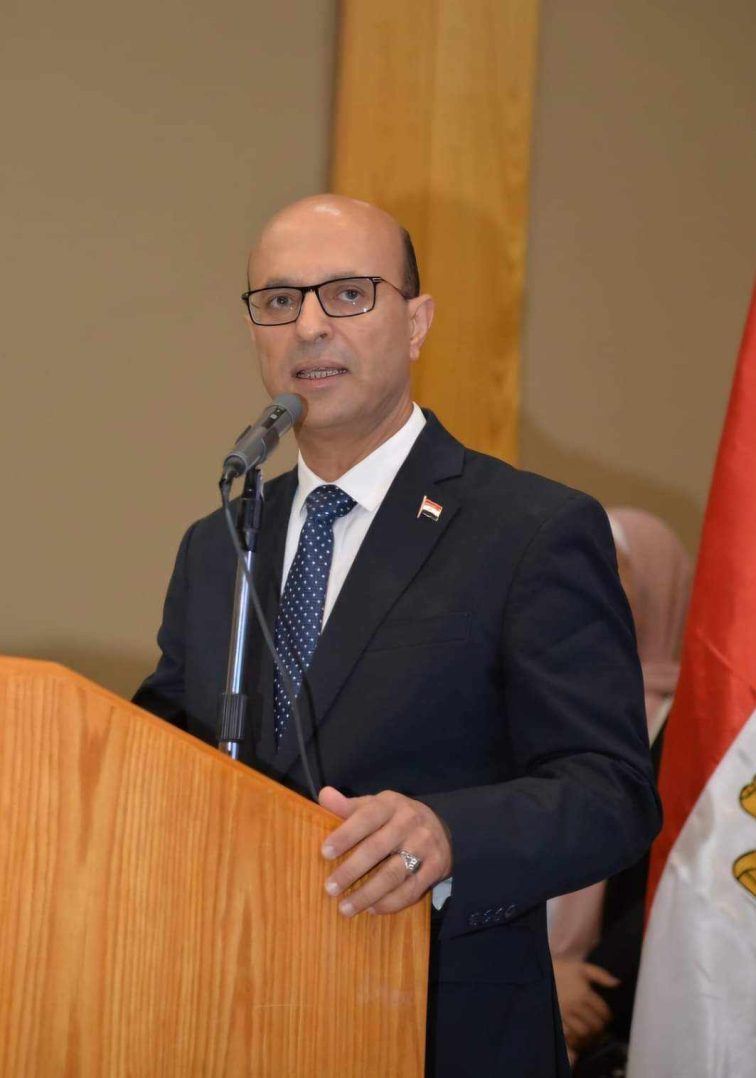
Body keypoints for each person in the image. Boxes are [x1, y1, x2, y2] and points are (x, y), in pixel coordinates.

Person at [134, 194, 661, 1076]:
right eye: (279, 300)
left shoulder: (529, 530)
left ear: (416, 324)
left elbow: (612, 793)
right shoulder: (220, 544)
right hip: (230, 1018)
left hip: (441, 1025)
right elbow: (154, 758)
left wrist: (451, 834)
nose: (309, 326)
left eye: (348, 294)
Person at [547, 509, 691, 1074]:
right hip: (513, 987)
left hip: (624, 1019)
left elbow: (689, 876)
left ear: (659, 585)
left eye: (614, 568)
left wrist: (588, 990)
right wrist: (537, 977)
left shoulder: (699, 729)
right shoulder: (541, 701)